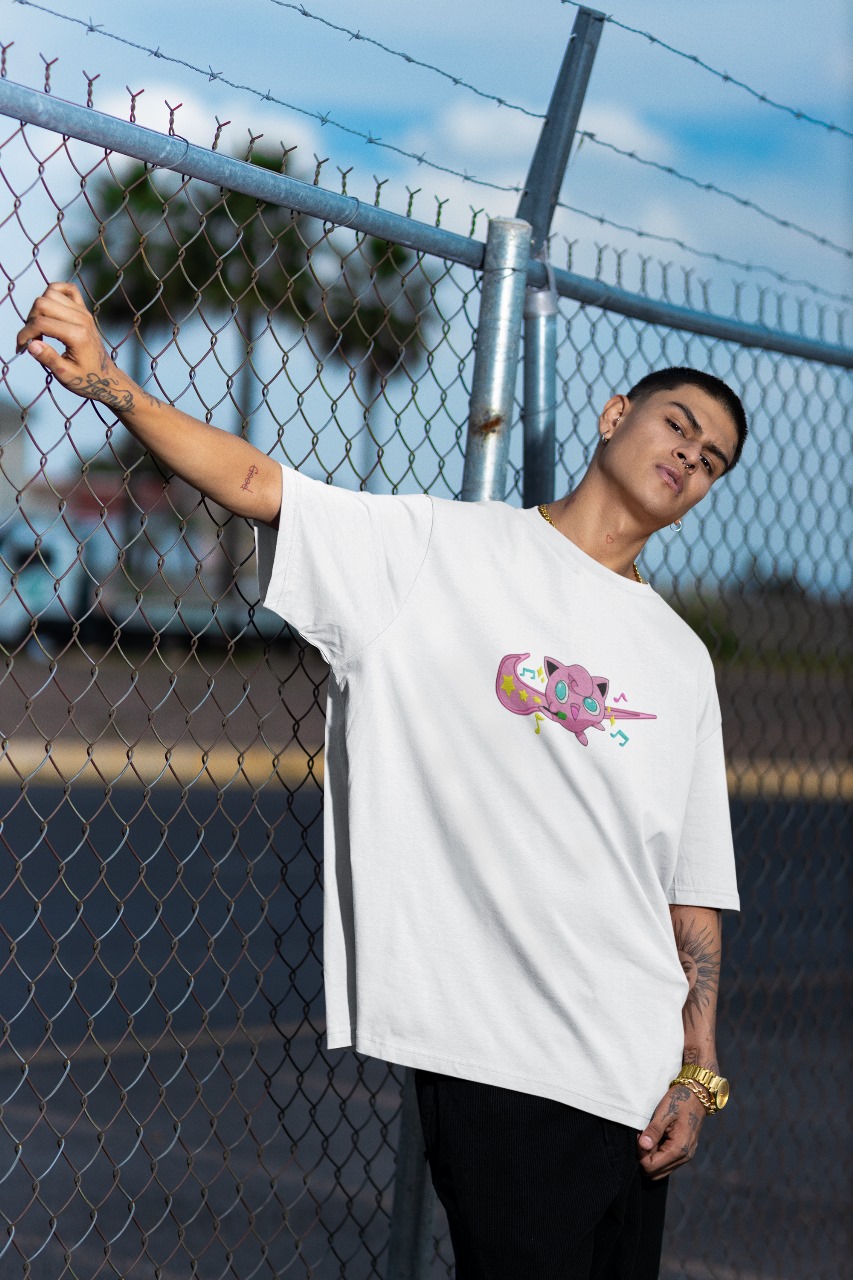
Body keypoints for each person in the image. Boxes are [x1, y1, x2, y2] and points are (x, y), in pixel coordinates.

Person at [17, 281, 744, 1280]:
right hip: (506, 1057)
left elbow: (689, 886)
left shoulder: (680, 657)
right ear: (615, 415)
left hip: (640, 1078)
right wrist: (111, 383)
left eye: (711, 461)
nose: (690, 457)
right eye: (679, 426)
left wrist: (697, 1070)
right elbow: (259, 483)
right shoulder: (441, 550)